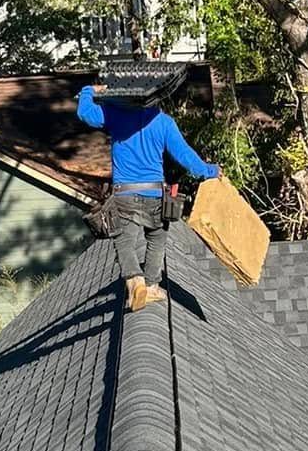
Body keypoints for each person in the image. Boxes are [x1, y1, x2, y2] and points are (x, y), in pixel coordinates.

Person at [76, 82, 219, 311]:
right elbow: (185, 156)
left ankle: (135, 280)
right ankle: (152, 286)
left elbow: (85, 113)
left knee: (124, 240)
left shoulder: (115, 115)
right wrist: (210, 171)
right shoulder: (163, 122)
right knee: (156, 238)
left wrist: (90, 90)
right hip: (155, 193)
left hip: (124, 194)